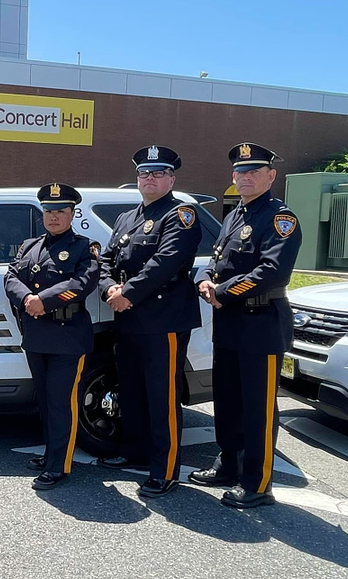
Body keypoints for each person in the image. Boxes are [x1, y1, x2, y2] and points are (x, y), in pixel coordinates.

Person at [190, 142, 303, 508]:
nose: (246, 178)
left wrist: (222, 291)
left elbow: (272, 271)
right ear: (233, 177)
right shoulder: (234, 215)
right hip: (230, 324)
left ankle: (258, 483)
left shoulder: (279, 219)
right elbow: (216, 260)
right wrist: (205, 280)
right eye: (241, 172)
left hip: (261, 324)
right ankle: (228, 464)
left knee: (258, 409)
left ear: (271, 176)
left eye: (255, 172)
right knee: (228, 402)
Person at [94, 146, 202, 498]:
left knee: (161, 395)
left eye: (158, 173)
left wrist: (129, 293)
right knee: (132, 390)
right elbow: (106, 260)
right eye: (144, 174)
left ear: (172, 179)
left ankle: (165, 469)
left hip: (163, 319)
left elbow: (167, 261)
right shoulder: (127, 218)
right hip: (127, 317)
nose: (150, 179)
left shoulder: (180, 214)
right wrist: (109, 288)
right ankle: (135, 450)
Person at [4, 183, 99, 491]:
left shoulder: (85, 247)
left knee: (61, 403)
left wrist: (43, 301)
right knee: (46, 402)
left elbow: (82, 283)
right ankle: (51, 454)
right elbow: (10, 276)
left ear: (72, 214)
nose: (53, 217)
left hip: (67, 337)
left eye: (60, 211)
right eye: (48, 211)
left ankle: (59, 465)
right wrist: (26, 299)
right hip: (36, 335)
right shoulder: (30, 246)